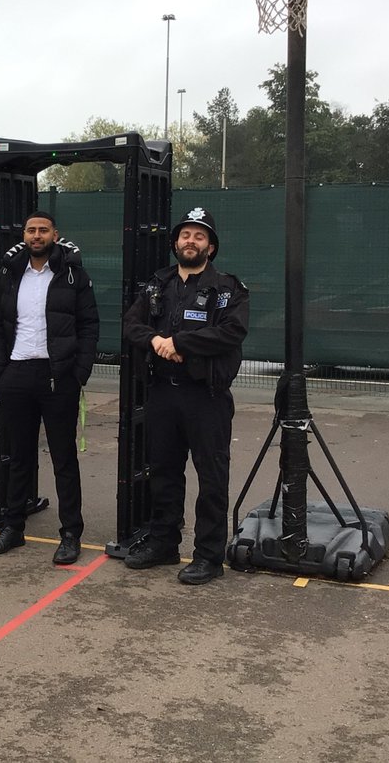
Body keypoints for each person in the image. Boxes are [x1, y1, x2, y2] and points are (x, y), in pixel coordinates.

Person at [122, 206, 249, 585]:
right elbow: (131, 324)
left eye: (199, 236)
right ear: (175, 242)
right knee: (163, 473)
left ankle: (209, 556)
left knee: (212, 478)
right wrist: (158, 341)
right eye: (185, 235)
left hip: (205, 398)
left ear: (211, 247)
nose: (190, 241)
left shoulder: (229, 289)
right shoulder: (157, 284)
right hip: (162, 395)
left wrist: (181, 343)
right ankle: (164, 542)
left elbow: (231, 333)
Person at [0, 211, 99, 565]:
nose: (37, 236)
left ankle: (70, 534)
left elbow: (89, 325)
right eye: (31, 230)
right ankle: (13, 527)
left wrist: (78, 373)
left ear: (54, 235)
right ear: (25, 235)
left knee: (64, 459)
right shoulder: (9, 273)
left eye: (43, 230)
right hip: (16, 375)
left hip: (58, 377)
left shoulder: (72, 274)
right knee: (18, 457)